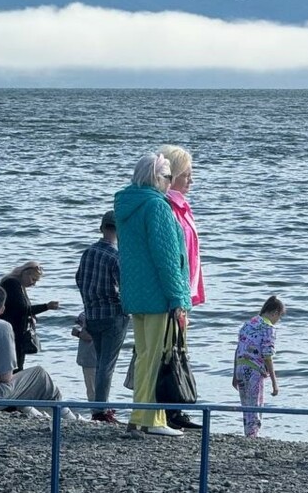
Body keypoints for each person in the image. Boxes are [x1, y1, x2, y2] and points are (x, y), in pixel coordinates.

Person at [114, 152, 190, 438]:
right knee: (158, 356)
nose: (171, 182)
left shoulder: (127, 206)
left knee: (145, 356)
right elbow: (167, 258)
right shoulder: (157, 207)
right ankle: (152, 418)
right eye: (168, 176)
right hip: (159, 296)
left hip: (136, 294)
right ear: (155, 177)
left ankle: (139, 415)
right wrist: (178, 299)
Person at [0, 285, 75, 422]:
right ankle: (69, 420)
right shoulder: (1, 327)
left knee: (20, 385)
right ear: (2, 309)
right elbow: (6, 377)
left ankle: (36, 415)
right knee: (39, 375)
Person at [157, 144, 205, 430]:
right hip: (176, 292)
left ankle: (175, 407)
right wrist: (179, 295)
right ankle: (171, 408)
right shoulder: (169, 207)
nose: (191, 180)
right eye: (187, 174)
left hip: (183, 290)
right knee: (170, 350)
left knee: (177, 349)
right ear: (172, 176)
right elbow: (173, 254)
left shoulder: (182, 207)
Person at [75, 209, 129, 424]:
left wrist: (88, 304)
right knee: (107, 364)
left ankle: (98, 405)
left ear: (101, 227)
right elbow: (125, 287)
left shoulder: (88, 252)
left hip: (92, 314)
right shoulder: (116, 256)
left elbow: (79, 279)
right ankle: (100, 409)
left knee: (100, 363)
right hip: (113, 314)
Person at [232, 295, 284, 437]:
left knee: (246, 405)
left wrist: (234, 374)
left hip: (240, 367)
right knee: (256, 404)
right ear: (275, 313)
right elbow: (267, 355)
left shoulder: (247, 324)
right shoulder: (268, 328)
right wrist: (274, 382)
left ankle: (248, 433)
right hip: (254, 369)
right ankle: (253, 435)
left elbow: (238, 349)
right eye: (279, 317)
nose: (277, 321)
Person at [0, 261, 59, 370]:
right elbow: (21, 309)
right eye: (33, 279)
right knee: (14, 366)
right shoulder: (12, 284)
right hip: (12, 331)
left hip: (16, 332)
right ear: (26, 273)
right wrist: (46, 306)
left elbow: (22, 309)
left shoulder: (18, 285)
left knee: (16, 365)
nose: (33, 284)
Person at [71, 312, 96, 401]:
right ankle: (103, 411)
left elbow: (89, 336)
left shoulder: (89, 314)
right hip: (100, 357)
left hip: (91, 358)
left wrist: (77, 333)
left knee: (92, 390)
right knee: (100, 389)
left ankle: (97, 412)